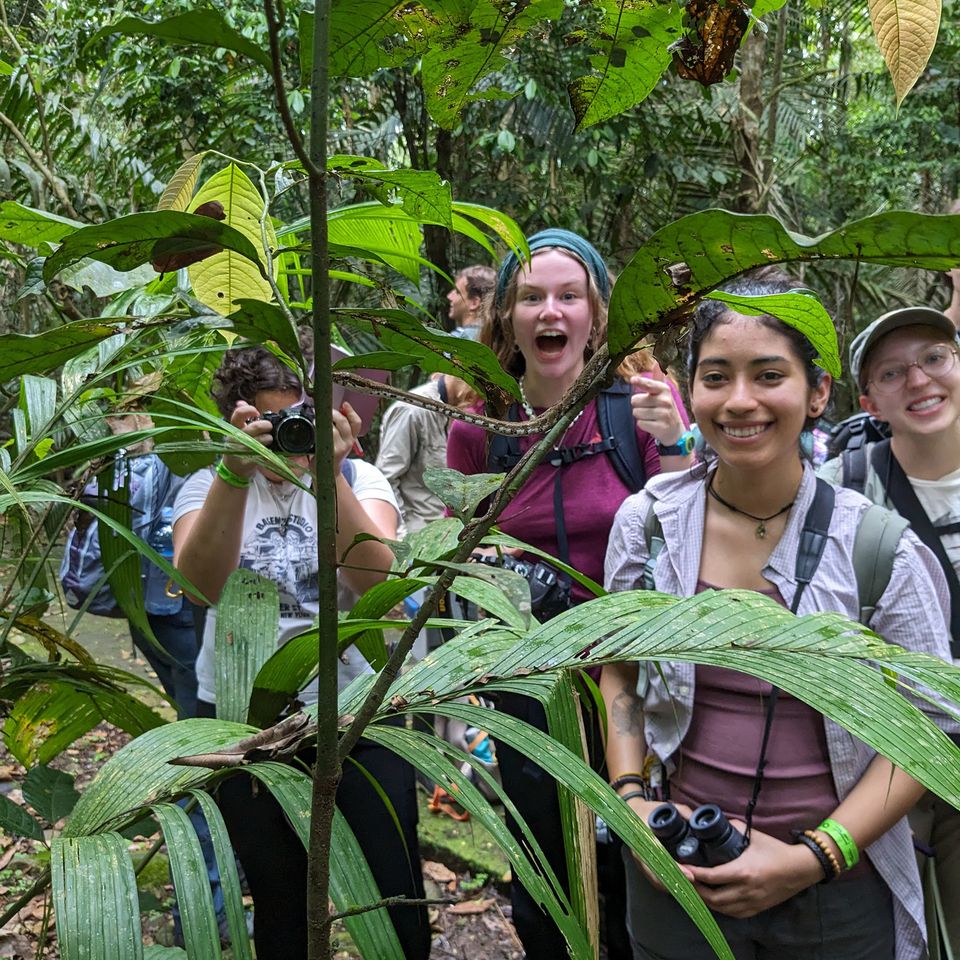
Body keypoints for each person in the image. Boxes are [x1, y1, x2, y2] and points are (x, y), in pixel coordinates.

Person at [602, 271, 955, 960]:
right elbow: (620, 665)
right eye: (716, 376)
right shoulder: (647, 525)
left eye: (769, 375)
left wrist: (815, 855)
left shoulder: (881, 550)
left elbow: (928, 725)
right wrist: (631, 804)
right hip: (677, 864)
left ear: (817, 391)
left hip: (837, 890)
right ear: (690, 388)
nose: (740, 402)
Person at [446, 228, 693, 959]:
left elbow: (688, 541)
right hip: (530, 686)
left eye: (568, 295)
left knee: (634, 866)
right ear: (508, 318)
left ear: (595, 313)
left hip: (636, 675)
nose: (550, 311)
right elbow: (465, 563)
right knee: (545, 870)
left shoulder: (637, 404)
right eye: (531, 296)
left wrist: (679, 445)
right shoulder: (478, 428)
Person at [172, 345, 430, 960]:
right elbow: (201, 587)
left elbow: (379, 586)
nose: (286, 435)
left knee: (395, 890)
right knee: (279, 893)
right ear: (233, 421)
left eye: (298, 418)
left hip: (359, 711)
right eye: (267, 420)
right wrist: (237, 471)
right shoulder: (207, 485)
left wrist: (327, 475)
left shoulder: (360, 480)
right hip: (250, 716)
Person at [819, 305, 960, 958]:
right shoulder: (842, 489)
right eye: (893, 372)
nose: (920, 380)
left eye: (934, 357)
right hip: (898, 760)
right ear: (870, 400)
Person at [447, 264, 496, 339]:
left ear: (474, 303)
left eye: (457, 292)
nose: (449, 296)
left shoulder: (456, 340)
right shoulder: (496, 340)